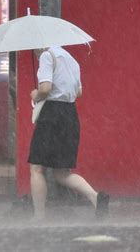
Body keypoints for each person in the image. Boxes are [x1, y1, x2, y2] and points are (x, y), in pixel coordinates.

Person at [28, 46, 109, 221]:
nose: (34, 51)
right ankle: (96, 197)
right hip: (70, 115)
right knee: (62, 173)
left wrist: (36, 95)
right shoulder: (71, 59)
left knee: (37, 168)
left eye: (35, 48)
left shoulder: (47, 56)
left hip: (51, 115)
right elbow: (78, 92)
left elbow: (45, 88)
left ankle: (39, 216)